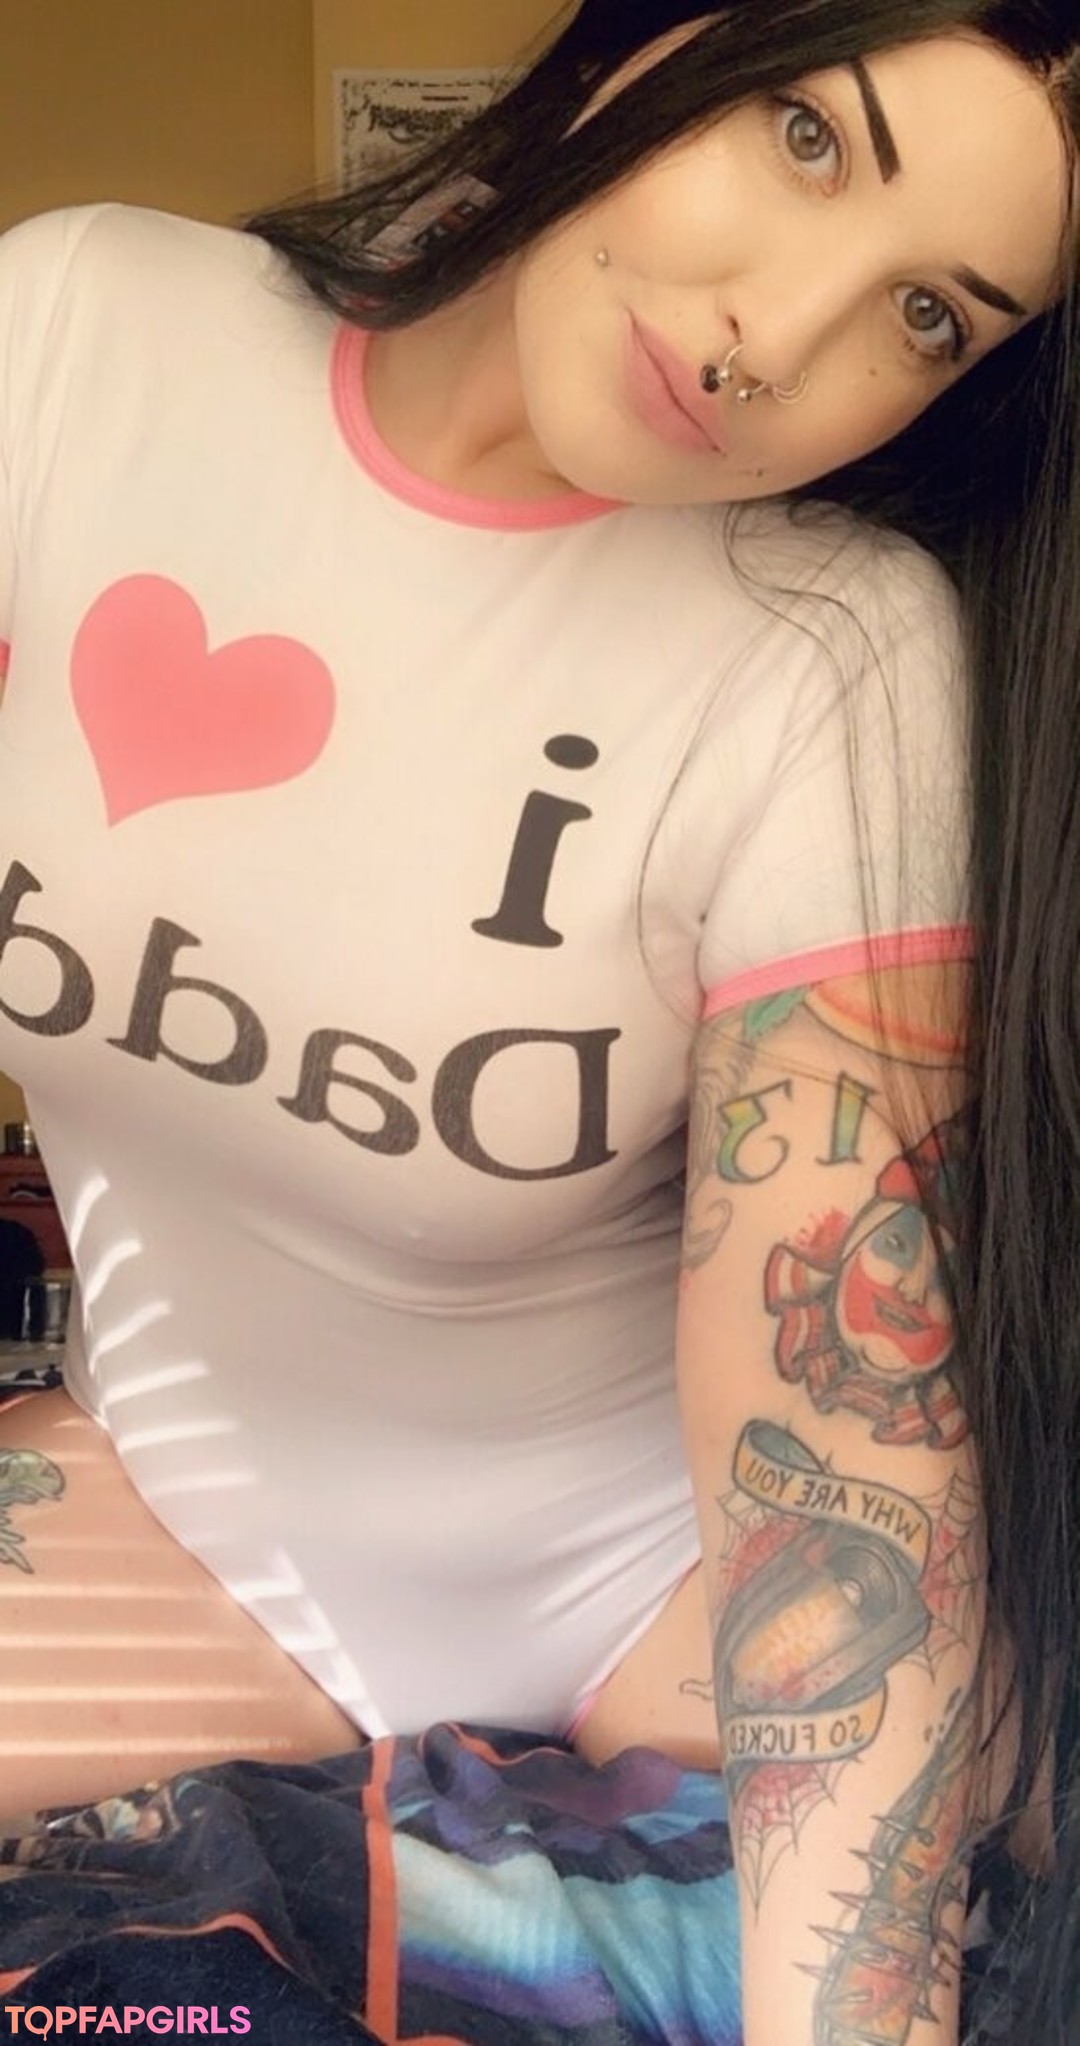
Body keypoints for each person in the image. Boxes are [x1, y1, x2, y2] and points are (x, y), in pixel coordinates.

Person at [0, 2, 1075, 2042]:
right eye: (808, 138)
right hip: (168, 1525)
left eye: (929, 315)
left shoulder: (837, 657)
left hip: (663, 1607)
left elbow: (837, 1429)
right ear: (663, 40)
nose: (780, 335)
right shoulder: (73, 340)